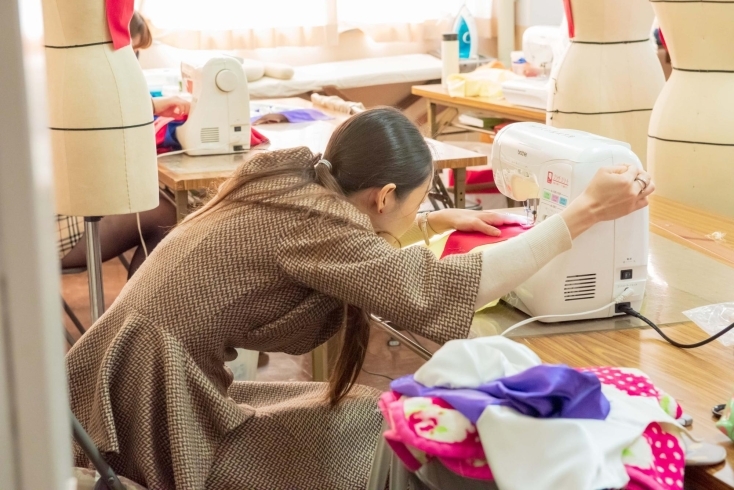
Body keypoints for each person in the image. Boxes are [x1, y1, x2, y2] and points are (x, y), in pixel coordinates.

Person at [66, 108, 654, 489]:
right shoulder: (315, 225)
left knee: (355, 410)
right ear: (383, 196)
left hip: (141, 370)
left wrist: (430, 222)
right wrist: (579, 217)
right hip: (154, 398)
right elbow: (425, 291)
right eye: (413, 203)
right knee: (368, 429)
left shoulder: (296, 184)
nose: (410, 215)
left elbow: (350, 246)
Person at [57, 12, 188, 279]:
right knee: (167, 214)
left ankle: (134, 314)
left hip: (45, 217)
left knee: (161, 207)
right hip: (45, 234)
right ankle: (133, 316)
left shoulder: (63, 76)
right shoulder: (76, 81)